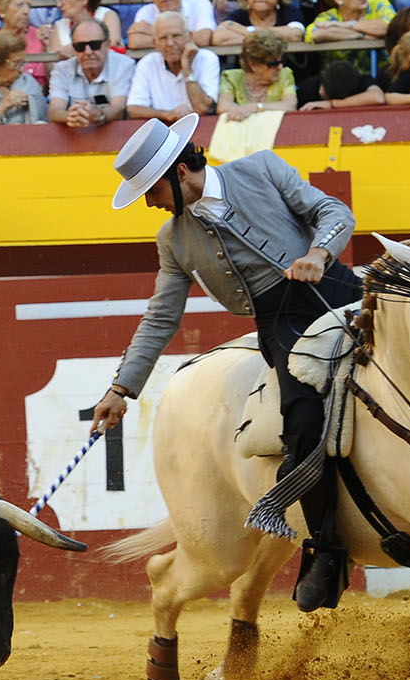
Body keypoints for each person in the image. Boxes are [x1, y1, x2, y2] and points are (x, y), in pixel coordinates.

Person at [92, 115, 359, 611]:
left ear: (180, 172)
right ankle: (326, 551)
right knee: (302, 414)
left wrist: (319, 253)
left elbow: (333, 210)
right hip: (282, 320)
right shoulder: (173, 239)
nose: (150, 203)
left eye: (153, 190)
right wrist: (120, 389)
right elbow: (160, 318)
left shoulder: (262, 169)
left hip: (335, 285)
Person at [127, 10, 218, 121]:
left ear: (190, 37)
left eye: (176, 36)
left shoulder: (207, 58)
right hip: (163, 127)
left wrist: (187, 68)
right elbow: (133, 108)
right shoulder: (147, 63)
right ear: (155, 43)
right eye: (163, 38)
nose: (170, 43)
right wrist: (167, 115)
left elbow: (203, 108)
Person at [219, 28, 298, 118]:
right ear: (253, 65)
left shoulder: (285, 74)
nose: (280, 67)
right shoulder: (231, 77)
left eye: (281, 61)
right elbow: (223, 106)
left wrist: (255, 107)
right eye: (274, 63)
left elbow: (290, 106)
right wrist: (241, 111)